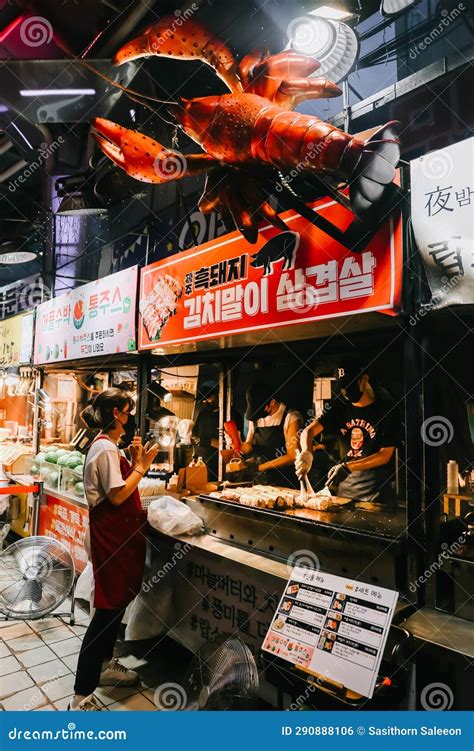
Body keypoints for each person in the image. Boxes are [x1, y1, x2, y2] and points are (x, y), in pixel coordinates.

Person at [69, 389, 158, 711]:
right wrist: (143, 466)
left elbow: (118, 488)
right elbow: (118, 497)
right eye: (129, 410)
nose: (131, 416)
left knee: (115, 606)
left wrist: (134, 463)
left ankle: (105, 666)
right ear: (119, 412)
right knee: (106, 613)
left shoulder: (108, 446)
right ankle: (81, 695)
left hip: (119, 538)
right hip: (111, 538)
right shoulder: (105, 447)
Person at [296, 360, 399, 505]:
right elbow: (309, 431)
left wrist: (348, 467)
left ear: (364, 379)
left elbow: (385, 454)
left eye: (351, 386)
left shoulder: (386, 410)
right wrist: (306, 453)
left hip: (377, 494)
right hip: (346, 492)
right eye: (344, 387)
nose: (347, 392)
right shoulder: (339, 408)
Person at [240, 383, 302, 488]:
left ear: (272, 402)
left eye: (260, 411)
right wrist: (239, 448)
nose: (258, 416)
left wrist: (259, 467)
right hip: (260, 482)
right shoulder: (256, 417)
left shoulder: (291, 417)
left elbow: (293, 456)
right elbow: (248, 444)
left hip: (284, 482)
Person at [192, 380, 220, 480]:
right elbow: (194, 433)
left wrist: (206, 441)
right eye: (203, 399)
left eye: (208, 398)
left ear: (218, 395)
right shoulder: (203, 413)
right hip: (201, 463)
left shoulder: (229, 415)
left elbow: (230, 446)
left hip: (219, 467)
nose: (205, 401)